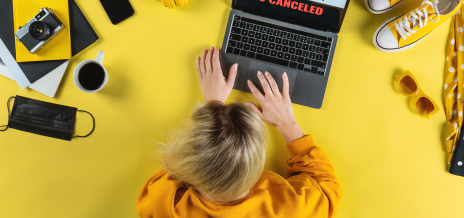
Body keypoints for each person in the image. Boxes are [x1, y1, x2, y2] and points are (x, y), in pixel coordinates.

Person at [136, 47, 342, 217]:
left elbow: (164, 178)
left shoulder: (165, 207)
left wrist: (211, 108)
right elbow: (327, 188)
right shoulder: (292, 209)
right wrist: (287, 124)